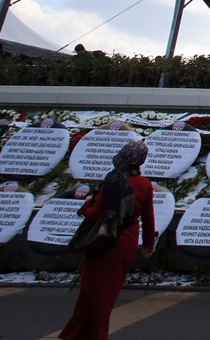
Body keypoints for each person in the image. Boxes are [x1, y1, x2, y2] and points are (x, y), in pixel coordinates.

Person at [59, 141, 156, 340]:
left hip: (104, 241)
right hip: (127, 240)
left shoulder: (113, 181)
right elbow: (148, 217)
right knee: (108, 292)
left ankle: (89, 334)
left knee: (93, 292)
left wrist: (85, 206)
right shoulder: (145, 184)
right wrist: (148, 244)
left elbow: (95, 214)